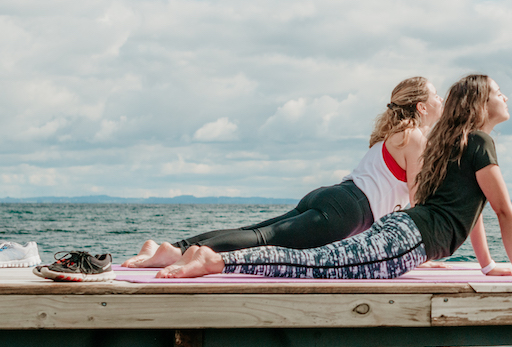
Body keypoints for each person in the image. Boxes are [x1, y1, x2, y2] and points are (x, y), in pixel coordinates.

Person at [156, 74, 512, 281]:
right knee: (313, 265)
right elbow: (504, 211)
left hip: (397, 228)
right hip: (399, 233)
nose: (506, 97)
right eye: (498, 91)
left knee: (306, 256)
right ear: (479, 104)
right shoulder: (475, 143)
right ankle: (215, 261)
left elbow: (474, 212)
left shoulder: (454, 143)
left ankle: (197, 253)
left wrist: (488, 266)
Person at [125, 77, 443, 268]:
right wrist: (423, 252)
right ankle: (174, 252)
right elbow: (417, 203)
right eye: (436, 95)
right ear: (421, 107)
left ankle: (171, 248)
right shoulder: (414, 138)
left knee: (257, 232)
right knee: (262, 240)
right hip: (347, 211)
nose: (441, 99)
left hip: (336, 199)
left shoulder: (395, 135)